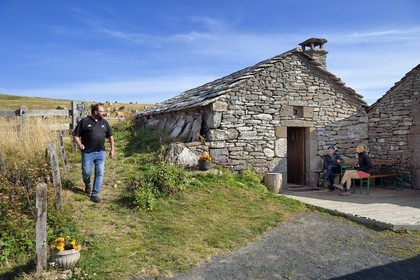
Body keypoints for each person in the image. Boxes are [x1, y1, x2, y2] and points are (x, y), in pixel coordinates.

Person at [72, 103, 115, 203]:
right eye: (102, 111)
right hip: (87, 153)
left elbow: (110, 136)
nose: (104, 113)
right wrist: (79, 144)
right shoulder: (85, 121)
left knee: (100, 173)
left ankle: (95, 194)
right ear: (95, 112)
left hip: (101, 152)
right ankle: (87, 184)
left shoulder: (104, 122)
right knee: (86, 172)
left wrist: (112, 149)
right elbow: (75, 135)